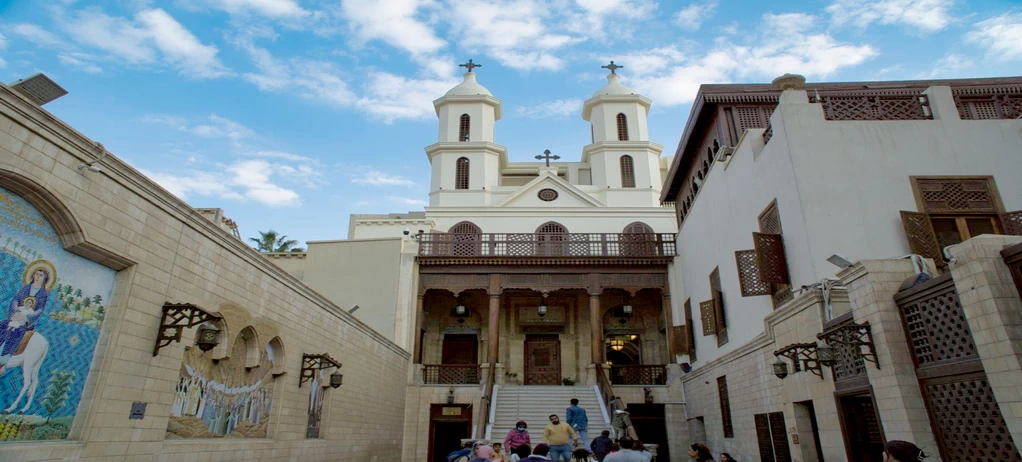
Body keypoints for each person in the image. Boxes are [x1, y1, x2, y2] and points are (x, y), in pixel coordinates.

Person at [0, 265, 51, 364]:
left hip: (25, 322)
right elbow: (15, 300)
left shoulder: (43, 294)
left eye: (40, 275)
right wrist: (15, 313)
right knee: (2, 325)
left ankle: (4, 359)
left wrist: (25, 318)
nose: (37, 276)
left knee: (16, 332)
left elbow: (39, 310)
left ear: (45, 279)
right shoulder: (26, 288)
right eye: (36, 274)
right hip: (15, 317)